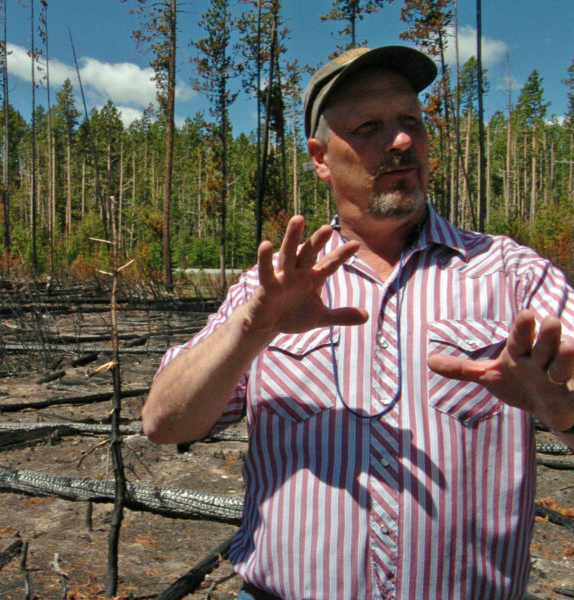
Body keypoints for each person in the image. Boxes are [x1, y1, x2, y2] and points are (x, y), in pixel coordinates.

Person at [142, 45, 574, 600]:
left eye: (410, 122)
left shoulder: (510, 274)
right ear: (320, 157)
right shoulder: (270, 289)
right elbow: (163, 423)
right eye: (370, 126)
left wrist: (563, 408)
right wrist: (255, 328)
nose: (400, 141)